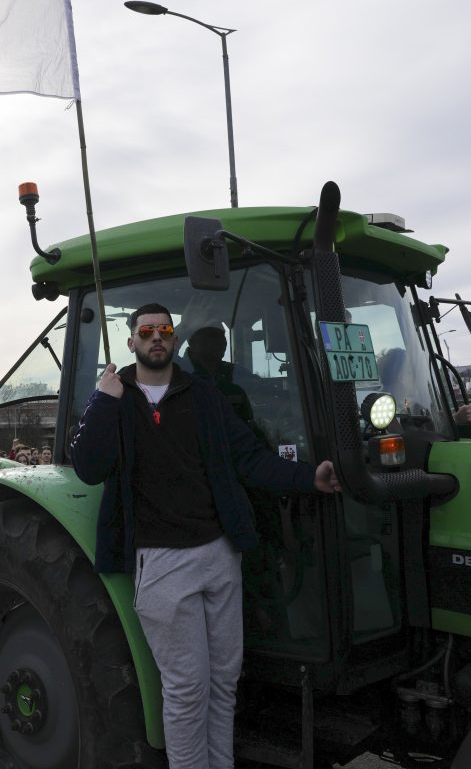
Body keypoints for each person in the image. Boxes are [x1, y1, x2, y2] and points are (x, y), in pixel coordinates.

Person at [70, 303, 339, 769]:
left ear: (174, 340)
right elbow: (89, 468)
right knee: (187, 687)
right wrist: (102, 399)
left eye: (165, 331)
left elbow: (249, 458)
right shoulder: (117, 400)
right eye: (147, 331)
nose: (157, 338)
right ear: (131, 341)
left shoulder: (203, 396)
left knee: (223, 682)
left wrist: (308, 478)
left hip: (218, 555)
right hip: (161, 563)